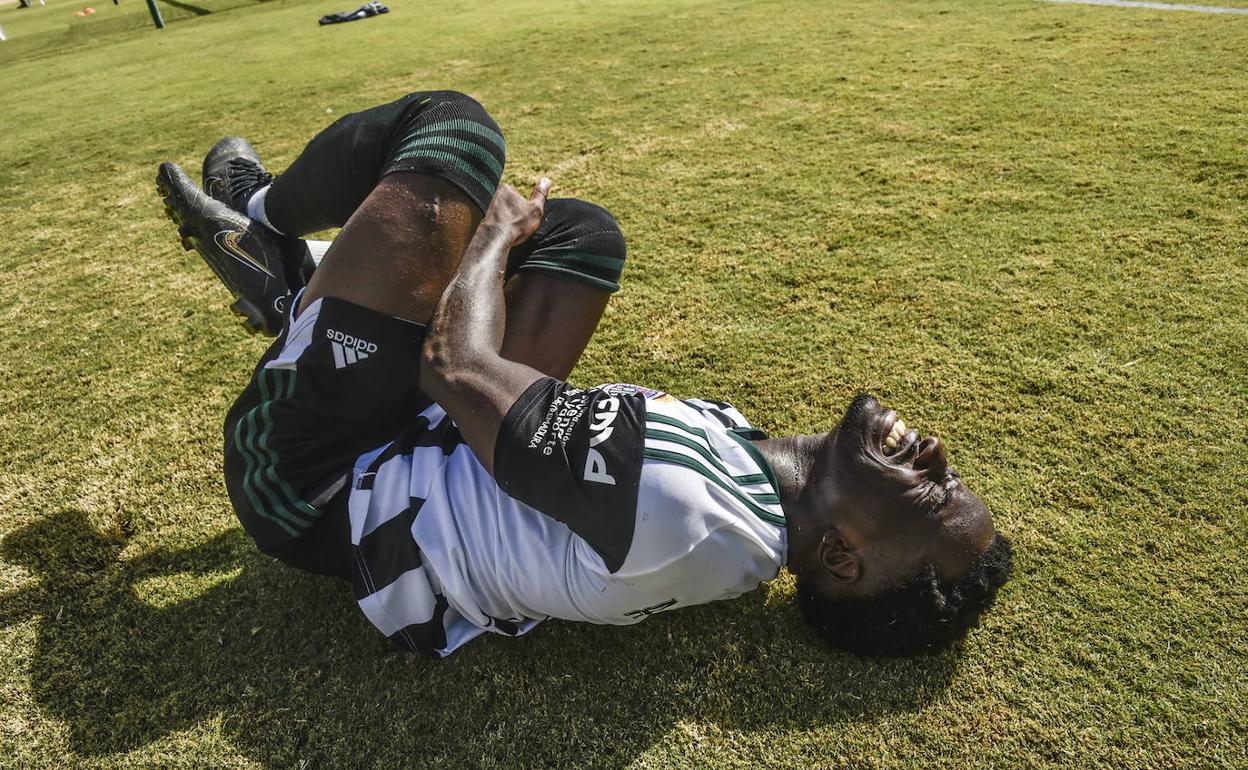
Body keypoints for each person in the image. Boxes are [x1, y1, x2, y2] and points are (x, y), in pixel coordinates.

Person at [156, 91, 1012, 659]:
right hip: (429, 446)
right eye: (955, 473)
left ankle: (266, 228)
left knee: (456, 137)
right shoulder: (745, 499)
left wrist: (488, 239)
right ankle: (311, 290)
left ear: (839, 555)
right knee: (581, 239)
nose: (936, 454)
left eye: (934, 495)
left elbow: (456, 368)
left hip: (315, 484)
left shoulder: (684, 504)